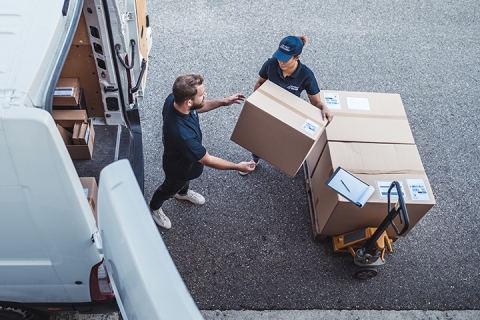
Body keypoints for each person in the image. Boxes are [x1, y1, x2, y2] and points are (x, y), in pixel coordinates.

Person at [150, 74, 255, 229]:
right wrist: (238, 166)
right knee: (169, 187)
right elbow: (208, 160)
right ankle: (155, 207)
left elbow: (198, 107)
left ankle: (182, 194)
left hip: (188, 161)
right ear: (189, 101)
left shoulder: (174, 100)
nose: (205, 95)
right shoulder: (183, 135)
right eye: (201, 94)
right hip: (178, 168)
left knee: (184, 182)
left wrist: (223, 101)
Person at [240, 35, 334, 175]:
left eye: (285, 58)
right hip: (268, 108)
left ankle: (283, 161)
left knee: (283, 139)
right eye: (279, 56)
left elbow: (315, 102)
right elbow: (260, 82)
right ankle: (254, 159)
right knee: (260, 136)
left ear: (297, 57)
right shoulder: (271, 64)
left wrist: (324, 107)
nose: (280, 61)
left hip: (288, 113)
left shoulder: (306, 75)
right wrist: (256, 101)